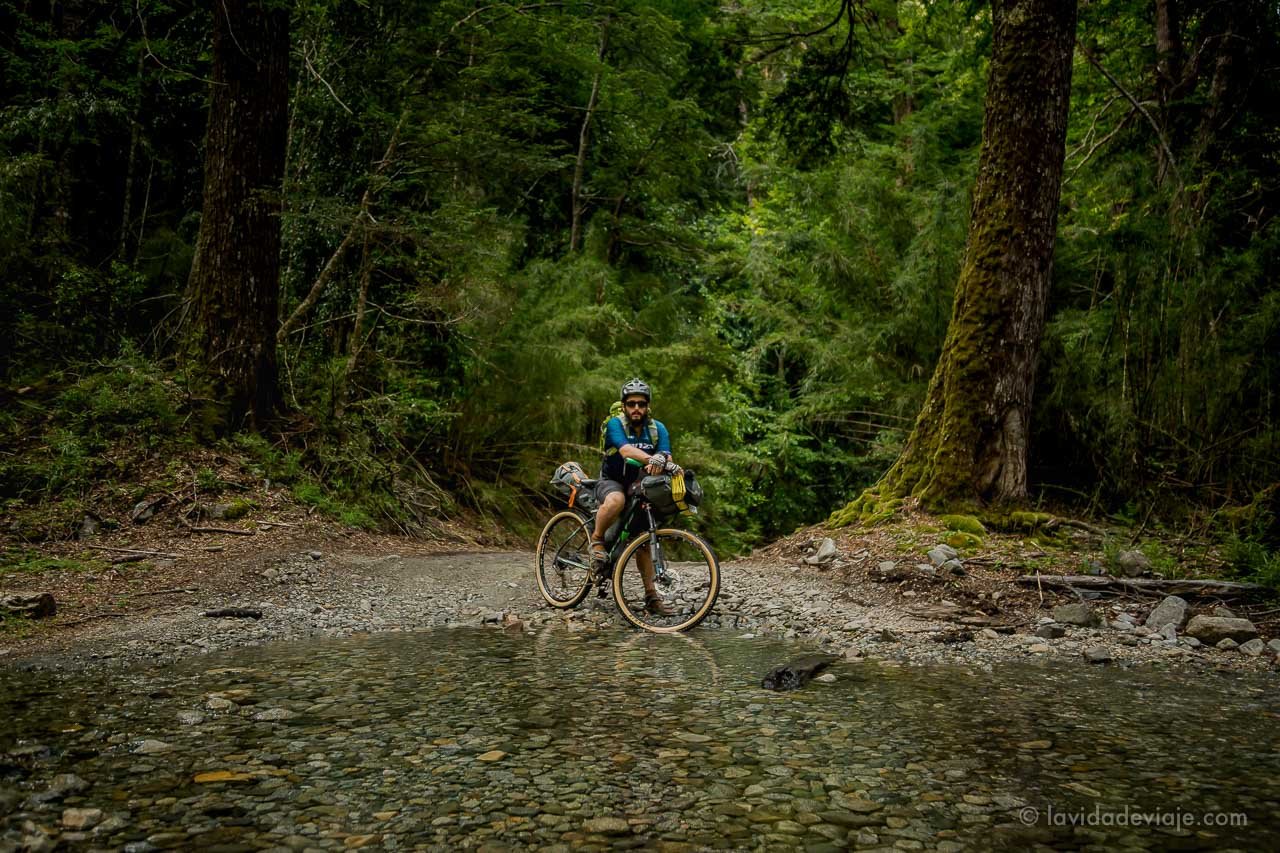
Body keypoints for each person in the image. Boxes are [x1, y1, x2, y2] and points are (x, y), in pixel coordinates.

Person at [592, 378, 677, 616]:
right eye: (631, 404)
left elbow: (667, 454)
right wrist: (652, 459)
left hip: (640, 485)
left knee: (644, 540)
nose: (636, 408)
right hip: (612, 481)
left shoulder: (658, 428)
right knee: (616, 501)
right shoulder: (615, 424)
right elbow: (625, 450)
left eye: (641, 404)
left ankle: (652, 597)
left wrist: (664, 461)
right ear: (624, 406)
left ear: (648, 406)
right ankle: (597, 540)